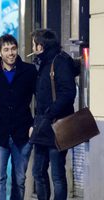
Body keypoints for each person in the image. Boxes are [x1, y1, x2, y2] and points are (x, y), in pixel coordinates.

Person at [0, 34, 37, 200]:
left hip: (23, 133)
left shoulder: (29, 71)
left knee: (20, 180)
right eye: (6, 49)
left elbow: (41, 99)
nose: (10, 53)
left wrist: (35, 124)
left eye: (13, 49)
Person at [29, 29, 77, 200]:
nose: (32, 47)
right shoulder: (42, 63)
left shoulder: (60, 61)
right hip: (43, 125)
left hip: (57, 125)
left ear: (40, 46)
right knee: (38, 171)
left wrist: (50, 114)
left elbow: (68, 92)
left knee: (57, 173)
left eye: (33, 44)